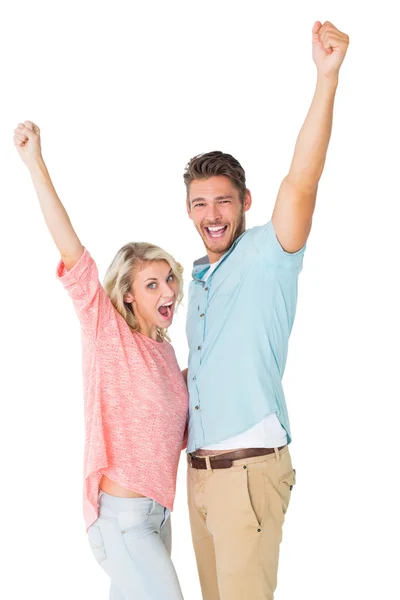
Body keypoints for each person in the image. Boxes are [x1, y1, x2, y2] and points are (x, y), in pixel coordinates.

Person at [184, 21, 349, 600]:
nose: (212, 213)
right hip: (199, 477)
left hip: (247, 473)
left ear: (244, 202)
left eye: (223, 200)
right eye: (199, 203)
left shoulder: (266, 255)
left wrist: (325, 79)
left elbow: (302, 180)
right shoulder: (198, 281)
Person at [13, 121, 188, 600]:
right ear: (127, 297)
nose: (168, 290)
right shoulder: (107, 332)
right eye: (151, 284)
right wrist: (36, 163)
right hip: (123, 521)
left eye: (168, 278)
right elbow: (73, 251)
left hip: (159, 516)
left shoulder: (167, 355)